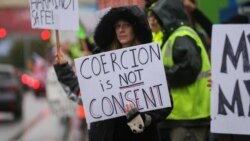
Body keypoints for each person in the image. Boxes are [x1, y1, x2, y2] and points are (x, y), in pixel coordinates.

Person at [53, 5, 172, 141]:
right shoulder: (101, 59)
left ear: (136, 28)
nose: (121, 30)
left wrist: (144, 118)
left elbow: (165, 103)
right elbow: (83, 96)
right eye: (117, 26)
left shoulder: (149, 59)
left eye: (127, 25)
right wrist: (63, 69)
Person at [150, 0, 211, 141]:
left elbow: (189, 69)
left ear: (168, 16)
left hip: (188, 116)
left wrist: (159, 75)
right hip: (182, 116)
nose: (156, 21)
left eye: (158, 17)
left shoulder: (181, 36)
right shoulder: (175, 36)